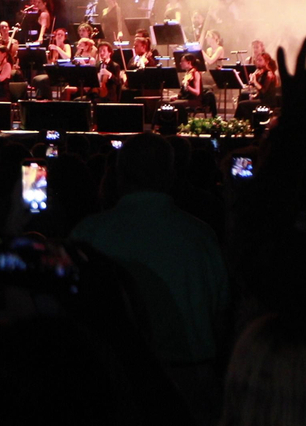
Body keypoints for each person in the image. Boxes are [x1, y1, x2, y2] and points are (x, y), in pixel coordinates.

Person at [70, 134, 229, 419]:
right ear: (171, 175)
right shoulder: (201, 237)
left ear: (119, 175)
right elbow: (221, 316)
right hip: (190, 383)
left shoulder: (88, 233)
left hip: (113, 385)